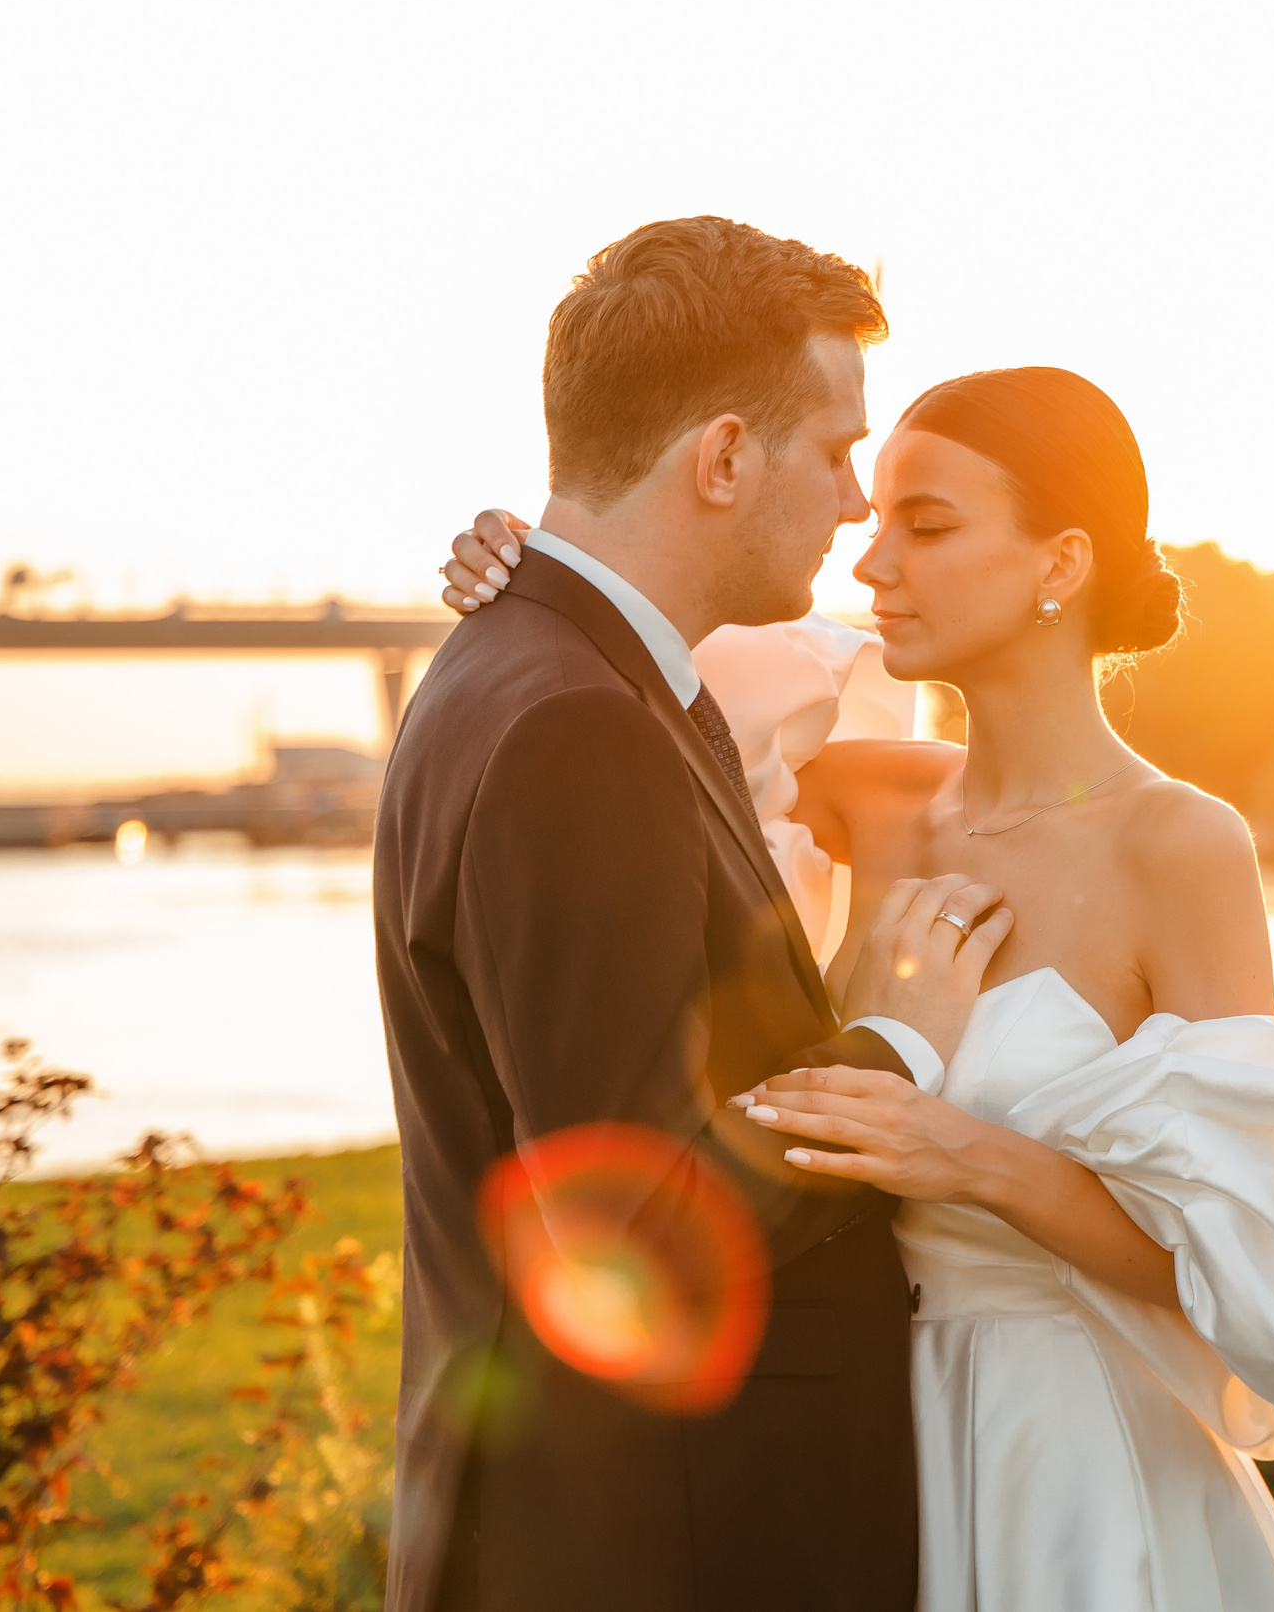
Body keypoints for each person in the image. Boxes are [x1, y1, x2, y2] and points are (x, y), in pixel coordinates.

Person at [440, 364, 1274, 1610]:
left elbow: (1224, 1244)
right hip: (855, 1445)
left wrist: (960, 1156)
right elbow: (630, 689)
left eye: (927, 528)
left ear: (1059, 564)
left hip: (1069, 1456)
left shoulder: (1180, 848)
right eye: (875, 528)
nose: (873, 567)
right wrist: (525, 569)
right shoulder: (855, 794)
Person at [378, 216, 1066, 1612]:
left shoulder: (527, 667)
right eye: (835, 450)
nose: (859, 499)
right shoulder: (578, 723)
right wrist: (892, 1044)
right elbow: (627, 1218)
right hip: (660, 1547)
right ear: (727, 458)